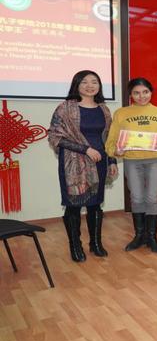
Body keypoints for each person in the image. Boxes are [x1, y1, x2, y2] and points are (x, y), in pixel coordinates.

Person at [48, 70, 118, 262]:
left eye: (94, 82)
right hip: (73, 165)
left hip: (99, 162)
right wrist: (85, 149)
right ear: (76, 85)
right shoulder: (65, 108)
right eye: (84, 82)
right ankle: (75, 245)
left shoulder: (104, 109)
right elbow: (55, 136)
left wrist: (112, 161)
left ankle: (95, 243)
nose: (90, 86)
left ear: (99, 86)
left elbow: (109, 138)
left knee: (95, 204)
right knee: (74, 205)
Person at [105, 78, 157, 253]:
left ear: (151, 93)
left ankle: (152, 237)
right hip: (132, 160)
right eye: (136, 93)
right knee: (136, 198)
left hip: (155, 160)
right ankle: (139, 236)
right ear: (131, 95)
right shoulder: (121, 113)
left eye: (145, 92)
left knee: (152, 198)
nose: (141, 96)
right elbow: (111, 141)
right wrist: (116, 151)